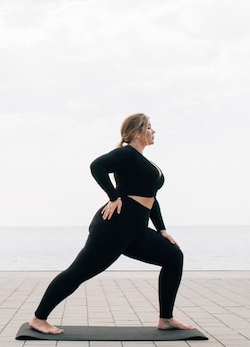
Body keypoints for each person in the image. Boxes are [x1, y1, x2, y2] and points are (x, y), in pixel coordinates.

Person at [29, 113, 194, 334]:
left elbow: (151, 199)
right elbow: (97, 165)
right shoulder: (126, 153)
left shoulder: (143, 160)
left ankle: (166, 319)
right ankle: (39, 318)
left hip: (136, 230)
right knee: (79, 272)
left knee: (174, 257)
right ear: (137, 132)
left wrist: (161, 228)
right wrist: (113, 196)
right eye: (149, 127)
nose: (154, 131)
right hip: (114, 227)